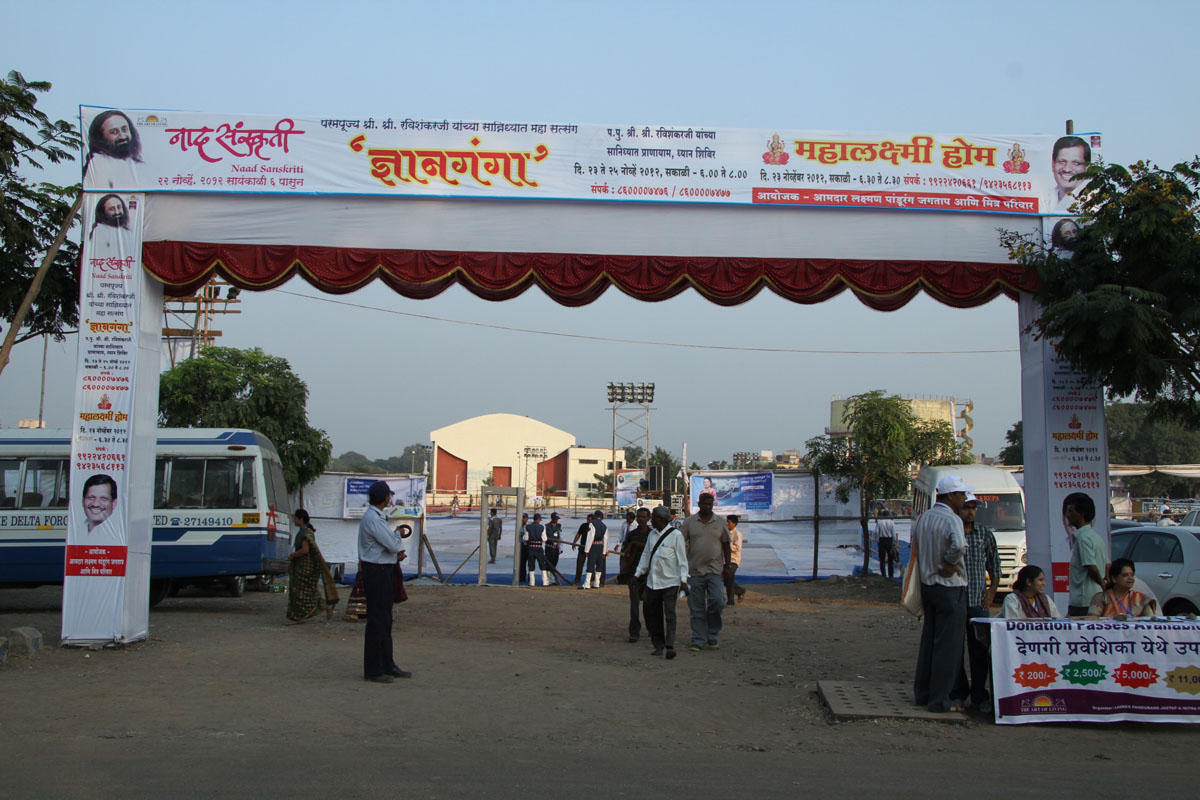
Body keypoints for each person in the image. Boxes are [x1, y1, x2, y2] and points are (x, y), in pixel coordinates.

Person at [912, 474, 970, 714]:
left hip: (928, 586)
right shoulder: (952, 519)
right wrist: (950, 562)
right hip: (949, 587)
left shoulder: (924, 517)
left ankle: (923, 693)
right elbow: (959, 546)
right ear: (951, 495)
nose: (964, 499)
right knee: (949, 647)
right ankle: (941, 700)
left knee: (930, 642)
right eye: (962, 494)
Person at [357, 480, 411, 683]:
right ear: (386, 498)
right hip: (377, 571)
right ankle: (374, 669)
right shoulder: (373, 519)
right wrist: (397, 536)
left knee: (385, 620)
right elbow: (392, 544)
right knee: (377, 620)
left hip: (382, 569)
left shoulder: (376, 517)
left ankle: (387, 664)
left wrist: (394, 551)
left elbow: (386, 547)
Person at [955, 492, 1000, 712]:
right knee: (955, 651)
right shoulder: (953, 532)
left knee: (980, 651)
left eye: (973, 508)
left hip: (978, 602)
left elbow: (995, 566)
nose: (970, 512)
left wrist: (992, 591)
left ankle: (979, 695)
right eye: (966, 507)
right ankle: (959, 693)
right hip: (956, 600)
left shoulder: (984, 534)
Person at [634, 506, 689, 659]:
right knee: (654, 615)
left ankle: (670, 644)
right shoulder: (652, 534)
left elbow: (682, 559)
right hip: (653, 582)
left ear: (662, 519)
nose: (651, 520)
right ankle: (658, 645)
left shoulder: (676, 535)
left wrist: (684, 580)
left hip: (670, 581)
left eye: (654, 517)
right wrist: (637, 574)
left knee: (670, 613)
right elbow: (646, 555)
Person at [682, 492, 731, 652]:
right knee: (696, 607)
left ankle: (712, 634)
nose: (707, 507)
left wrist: (728, 566)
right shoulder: (689, 522)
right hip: (694, 570)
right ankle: (698, 639)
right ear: (699, 504)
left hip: (715, 570)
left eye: (710, 504)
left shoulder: (720, 522)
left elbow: (726, 544)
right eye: (705, 504)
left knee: (717, 601)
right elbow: (679, 542)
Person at [286, 509, 339, 624]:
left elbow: (305, 550)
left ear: (301, 519)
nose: (294, 520)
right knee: (308, 591)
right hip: (302, 566)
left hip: (305, 567)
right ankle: (320, 608)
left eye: (296, 518)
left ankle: (302, 615)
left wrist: (293, 555)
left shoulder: (306, 534)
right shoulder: (303, 532)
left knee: (302, 592)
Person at [1065, 492, 1106, 617]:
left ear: (1081, 514)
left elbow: (1091, 567)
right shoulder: (1096, 537)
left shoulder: (1083, 539)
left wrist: (1104, 586)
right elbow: (1107, 565)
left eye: (1071, 511)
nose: (1067, 515)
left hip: (1083, 600)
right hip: (1094, 598)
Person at [84, 110, 143, 190]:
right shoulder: (99, 162)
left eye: (125, 129)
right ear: (101, 138)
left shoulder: (134, 162)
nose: (122, 136)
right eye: (114, 132)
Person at [619, 507, 651, 641]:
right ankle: (634, 631)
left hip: (649, 573)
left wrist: (636, 545)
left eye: (644, 517)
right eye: (639, 517)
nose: (641, 519)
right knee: (634, 603)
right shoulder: (632, 534)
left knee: (649, 603)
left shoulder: (653, 534)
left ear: (648, 518)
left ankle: (651, 628)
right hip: (633, 572)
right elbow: (625, 551)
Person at [1088, 558, 1158, 618]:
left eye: (1132, 575)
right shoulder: (1102, 598)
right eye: (1125, 575)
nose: (1130, 578)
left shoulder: (1141, 599)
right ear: (1114, 579)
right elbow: (1092, 622)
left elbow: (1150, 623)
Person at [1050, 135, 1091, 211]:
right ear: (1053, 164)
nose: (1067, 169)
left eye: (1076, 163)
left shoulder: (1093, 202)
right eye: (1062, 162)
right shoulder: (1043, 199)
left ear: (1087, 167)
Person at [580, 510, 607, 589]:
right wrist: (604, 551)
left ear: (595, 516)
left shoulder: (592, 524)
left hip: (593, 546)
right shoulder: (604, 526)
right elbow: (606, 539)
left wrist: (587, 550)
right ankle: (597, 583)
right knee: (599, 565)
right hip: (601, 546)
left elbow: (590, 537)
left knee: (590, 564)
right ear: (601, 517)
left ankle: (587, 583)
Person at [522, 512, 550, 586]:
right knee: (542, 564)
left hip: (531, 547)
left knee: (531, 565)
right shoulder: (542, 527)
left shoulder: (527, 527)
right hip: (539, 548)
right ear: (538, 519)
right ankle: (545, 582)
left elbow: (525, 538)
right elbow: (545, 538)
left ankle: (532, 582)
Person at [724, 514, 746, 605]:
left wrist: (727, 544)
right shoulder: (725, 533)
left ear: (734, 523)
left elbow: (737, 548)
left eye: (729, 522)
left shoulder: (737, 534)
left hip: (733, 560)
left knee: (729, 578)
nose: (727, 524)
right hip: (725, 560)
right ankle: (739, 591)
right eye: (727, 522)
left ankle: (731, 600)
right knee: (725, 579)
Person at [874, 508, 898, 579]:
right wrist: (894, 541)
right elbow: (893, 532)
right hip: (889, 540)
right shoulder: (891, 522)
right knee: (890, 559)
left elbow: (876, 531)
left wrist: (877, 539)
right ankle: (891, 575)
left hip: (882, 540)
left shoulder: (879, 522)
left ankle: (883, 574)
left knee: (882, 559)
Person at [571, 513, 593, 585]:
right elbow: (578, 534)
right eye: (587, 519)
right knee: (579, 564)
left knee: (591, 564)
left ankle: (592, 579)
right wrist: (574, 542)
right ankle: (577, 579)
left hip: (591, 548)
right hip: (582, 547)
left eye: (590, 520)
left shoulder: (594, 527)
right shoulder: (583, 525)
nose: (588, 521)